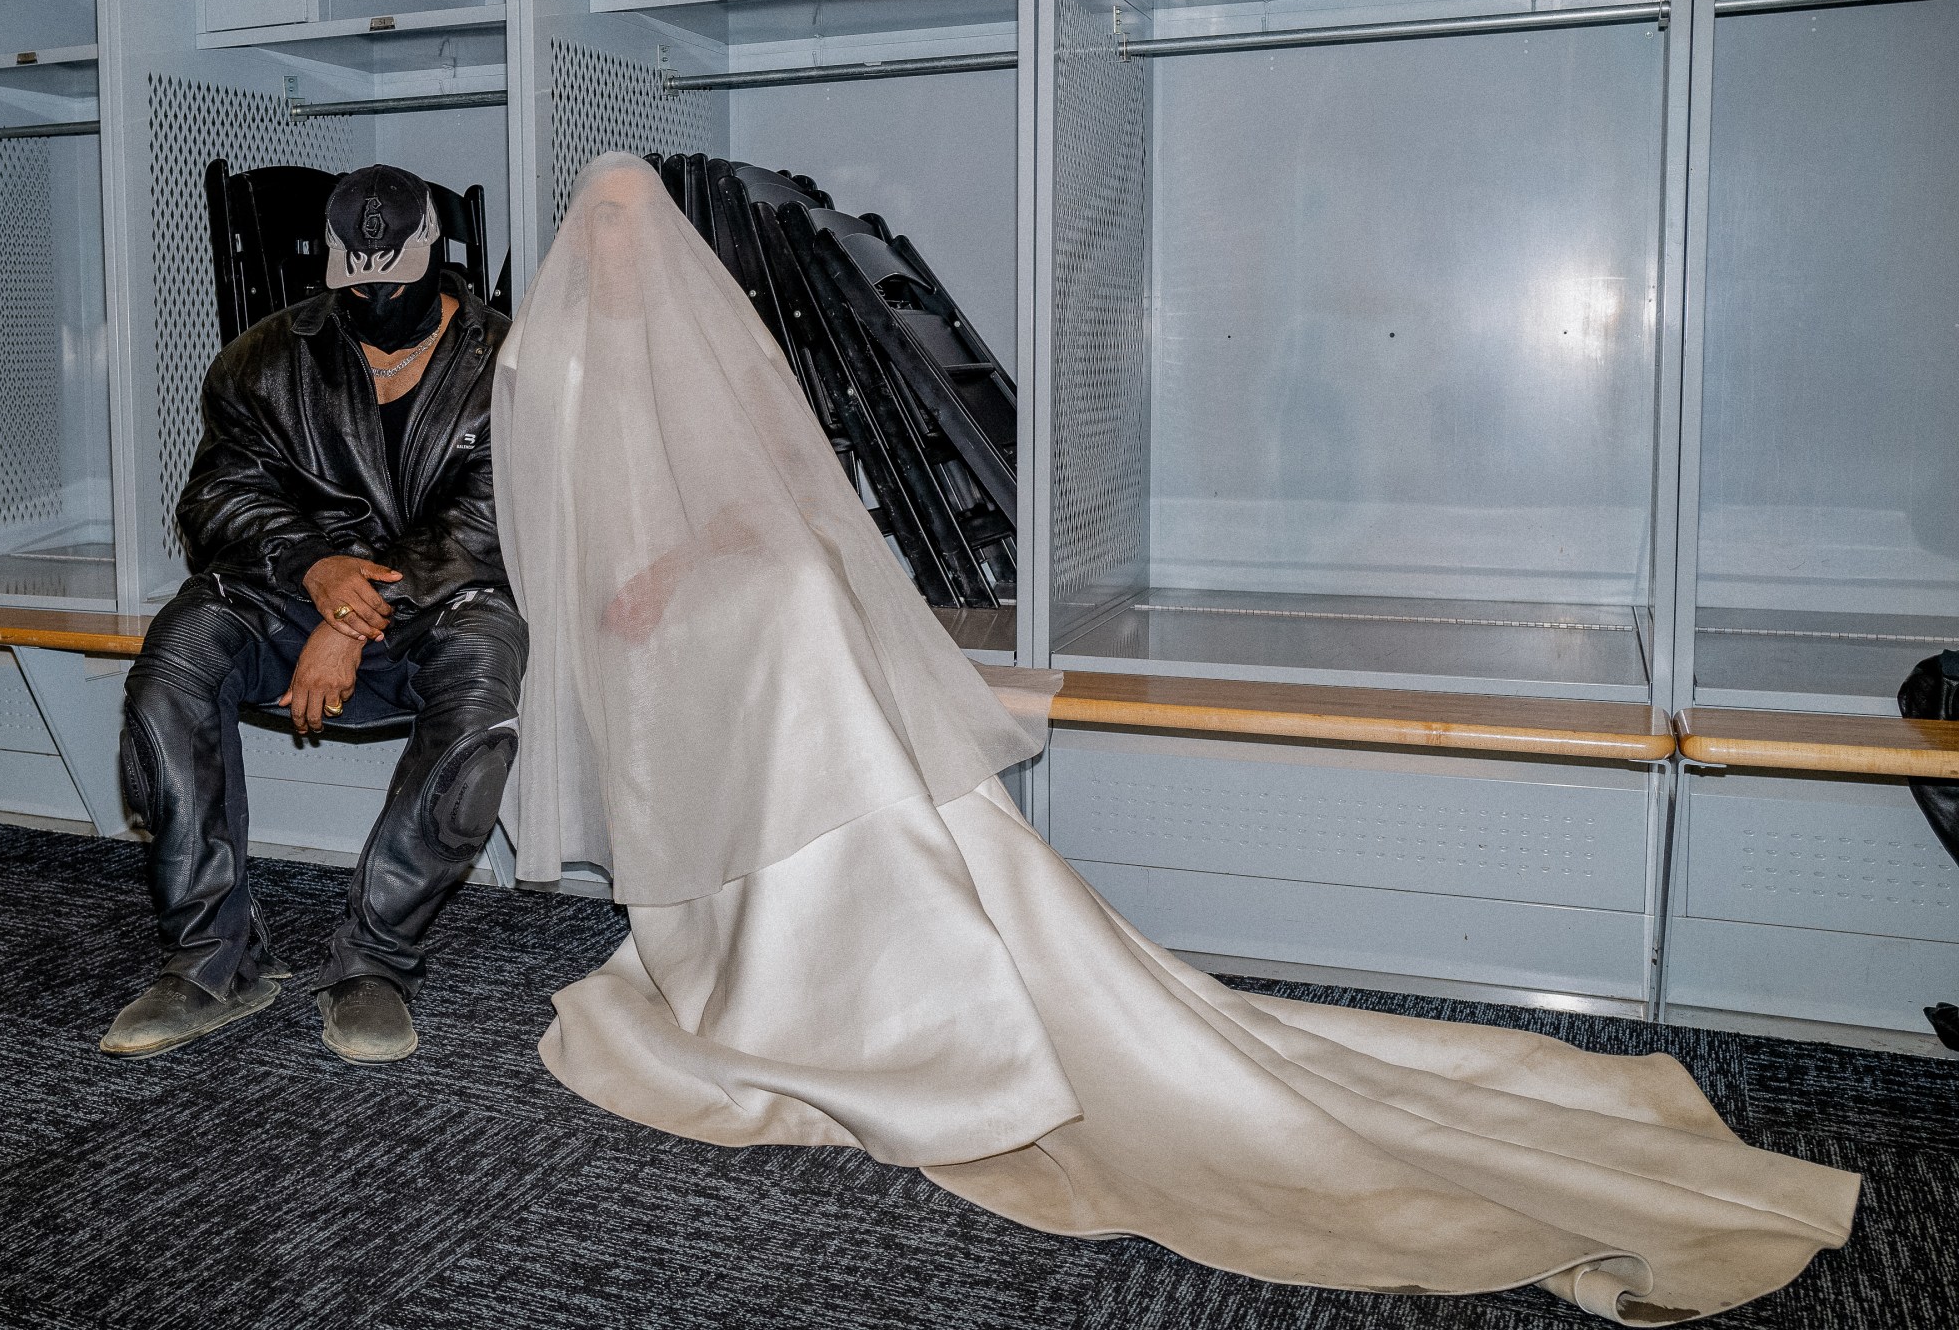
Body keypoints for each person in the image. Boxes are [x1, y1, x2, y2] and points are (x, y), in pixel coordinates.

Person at [493, 154, 1858, 1324]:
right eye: (597, 229)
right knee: (786, 639)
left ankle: (853, 960)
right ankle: (782, 926)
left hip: (724, 616)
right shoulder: (546, 356)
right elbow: (556, 530)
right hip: (661, 641)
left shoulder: (708, 338)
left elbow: (781, 497)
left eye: (634, 227)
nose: (619, 249)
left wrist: (686, 571)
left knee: (803, 616)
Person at [101, 164, 526, 1066]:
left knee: (485, 679)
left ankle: (374, 962)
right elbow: (217, 498)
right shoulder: (262, 357)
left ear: (434, 259)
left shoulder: (510, 362)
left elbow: (488, 523)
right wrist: (315, 567)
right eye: (355, 282)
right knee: (174, 663)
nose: (373, 297)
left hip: (437, 606)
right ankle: (215, 958)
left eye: (393, 281)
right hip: (284, 595)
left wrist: (350, 615)